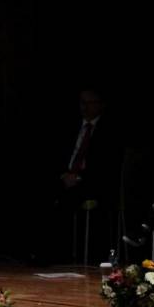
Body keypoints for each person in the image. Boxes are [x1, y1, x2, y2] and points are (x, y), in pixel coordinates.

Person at [54, 87, 123, 261]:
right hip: (67, 177)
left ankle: (70, 254)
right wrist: (64, 175)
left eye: (90, 103)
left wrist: (78, 177)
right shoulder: (71, 126)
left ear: (100, 105)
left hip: (91, 182)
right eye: (82, 103)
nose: (85, 107)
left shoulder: (110, 131)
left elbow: (106, 166)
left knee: (70, 199)